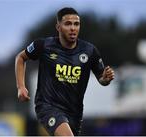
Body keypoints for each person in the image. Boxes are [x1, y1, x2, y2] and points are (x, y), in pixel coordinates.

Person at [15, 7, 115, 136]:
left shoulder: (90, 51)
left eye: (76, 24)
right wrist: (21, 87)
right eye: (68, 24)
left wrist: (105, 79)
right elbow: (21, 58)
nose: (73, 28)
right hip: (48, 106)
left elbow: (102, 79)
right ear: (58, 27)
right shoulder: (44, 45)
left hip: (75, 112)